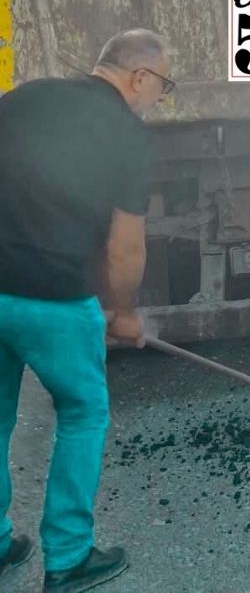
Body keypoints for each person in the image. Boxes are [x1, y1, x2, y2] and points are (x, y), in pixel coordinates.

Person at [0, 30, 171, 592]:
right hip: (54, 298)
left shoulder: (25, 97)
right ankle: (68, 558)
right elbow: (125, 249)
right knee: (82, 414)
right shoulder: (126, 135)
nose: (158, 98)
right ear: (139, 77)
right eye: (162, 86)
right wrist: (122, 313)